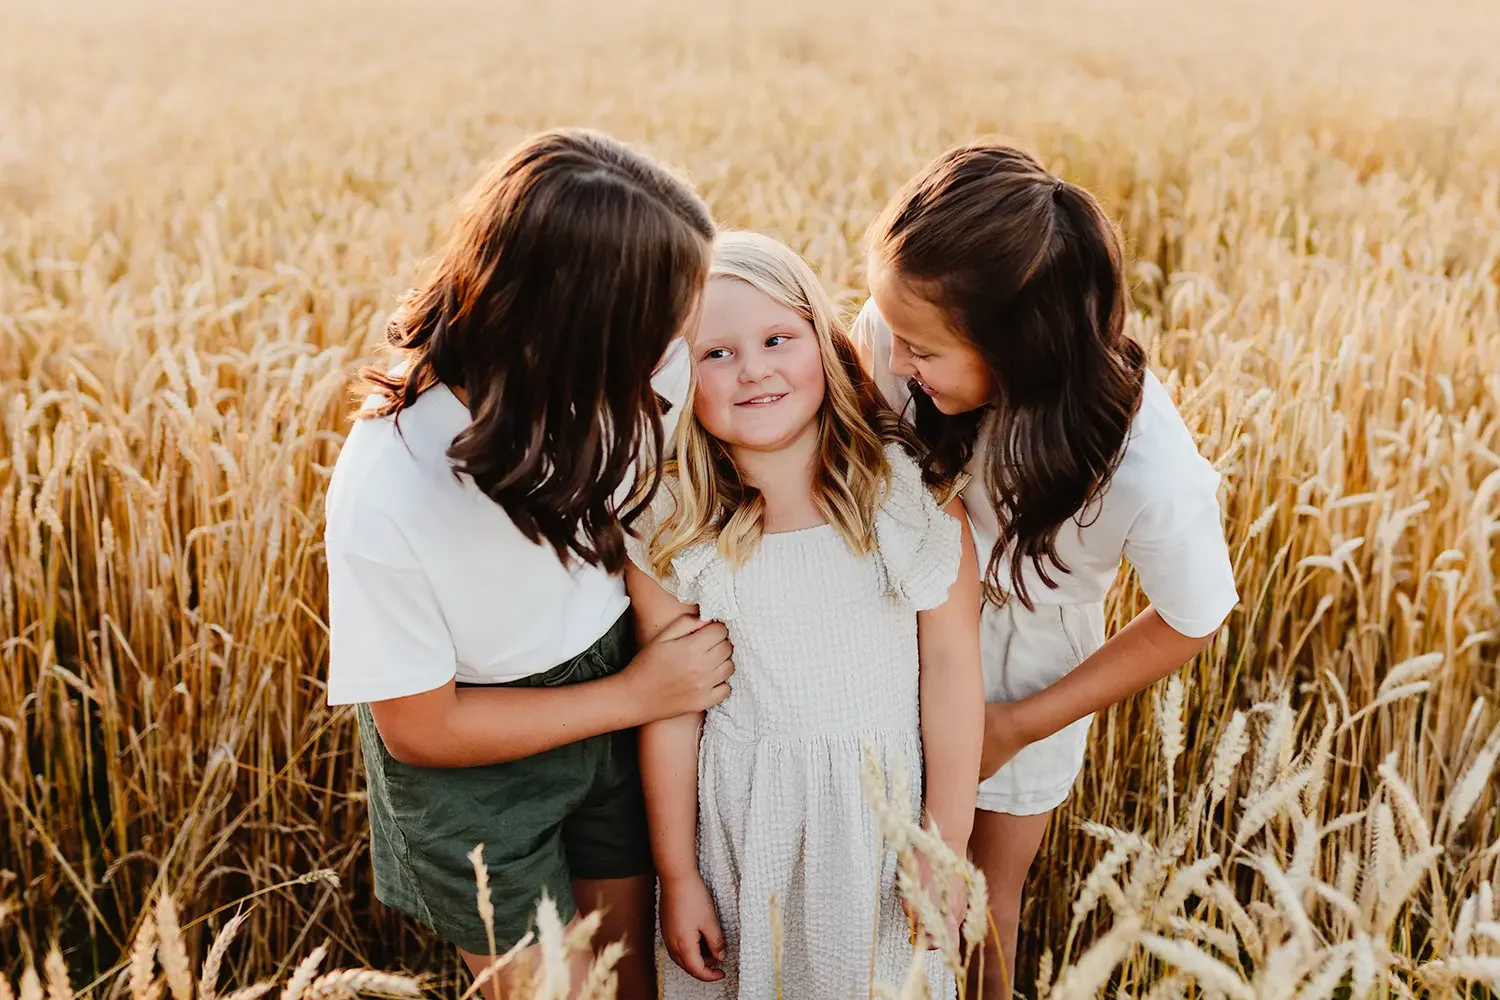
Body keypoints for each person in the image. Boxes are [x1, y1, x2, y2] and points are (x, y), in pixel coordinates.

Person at [323, 128, 731, 1000]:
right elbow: (420, 729)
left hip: (615, 697)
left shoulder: (633, 370)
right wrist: (637, 696)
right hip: (477, 766)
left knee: (629, 980)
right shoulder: (392, 484)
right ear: (575, 337)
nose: (681, 347)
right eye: (663, 328)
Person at [853, 140, 1239, 996]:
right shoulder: (897, 333)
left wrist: (1019, 724)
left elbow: (1195, 616)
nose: (892, 359)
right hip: (890, 624)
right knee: (871, 867)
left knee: (982, 901)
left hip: (1020, 673)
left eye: (921, 350)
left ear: (1019, 348)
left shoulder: (1147, 467)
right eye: (890, 330)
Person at [624, 231, 985, 999]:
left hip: (881, 835)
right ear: (680, 377)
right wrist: (677, 873)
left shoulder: (901, 497)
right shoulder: (678, 523)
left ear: (822, 340)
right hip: (743, 831)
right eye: (717, 353)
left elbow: (953, 669)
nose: (753, 369)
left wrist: (943, 843)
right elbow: (671, 708)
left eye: (777, 339)